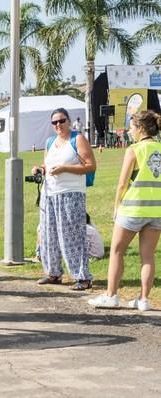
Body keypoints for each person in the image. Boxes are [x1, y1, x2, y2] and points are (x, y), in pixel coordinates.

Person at [88, 111, 161, 311]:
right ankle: (144, 299)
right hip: (156, 210)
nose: (129, 131)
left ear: (141, 128)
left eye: (131, 127)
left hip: (133, 207)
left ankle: (111, 295)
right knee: (148, 255)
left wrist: (116, 206)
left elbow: (122, 183)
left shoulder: (134, 149)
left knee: (117, 251)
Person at [31, 108, 96, 291]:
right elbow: (48, 164)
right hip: (49, 193)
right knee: (48, 235)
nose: (58, 125)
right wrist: (40, 168)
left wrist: (65, 168)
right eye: (55, 122)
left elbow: (90, 166)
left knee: (72, 236)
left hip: (71, 193)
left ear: (69, 121)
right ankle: (53, 273)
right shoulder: (50, 141)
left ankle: (82, 277)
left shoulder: (78, 139)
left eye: (61, 121)